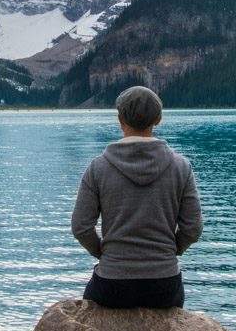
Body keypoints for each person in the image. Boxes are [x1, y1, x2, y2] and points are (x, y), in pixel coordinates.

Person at [71, 85, 203, 308]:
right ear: (158, 120)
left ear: (120, 120)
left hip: (112, 283)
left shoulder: (98, 168)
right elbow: (193, 228)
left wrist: (104, 253)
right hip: (165, 284)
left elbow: (80, 227)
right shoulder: (181, 167)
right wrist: (171, 251)